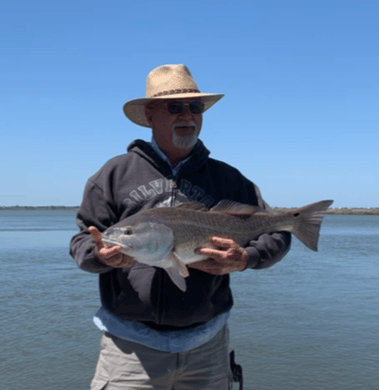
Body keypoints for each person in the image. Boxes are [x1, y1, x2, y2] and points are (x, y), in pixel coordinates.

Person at [70, 64, 291, 390]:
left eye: (195, 107)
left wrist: (245, 258)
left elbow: (279, 231)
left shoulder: (228, 179)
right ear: (150, 114)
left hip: (208, 346)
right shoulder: (113, 175)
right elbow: (83, 240)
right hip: (129, 350)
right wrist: (99, 256)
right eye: (175, 106)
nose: (187, 115)